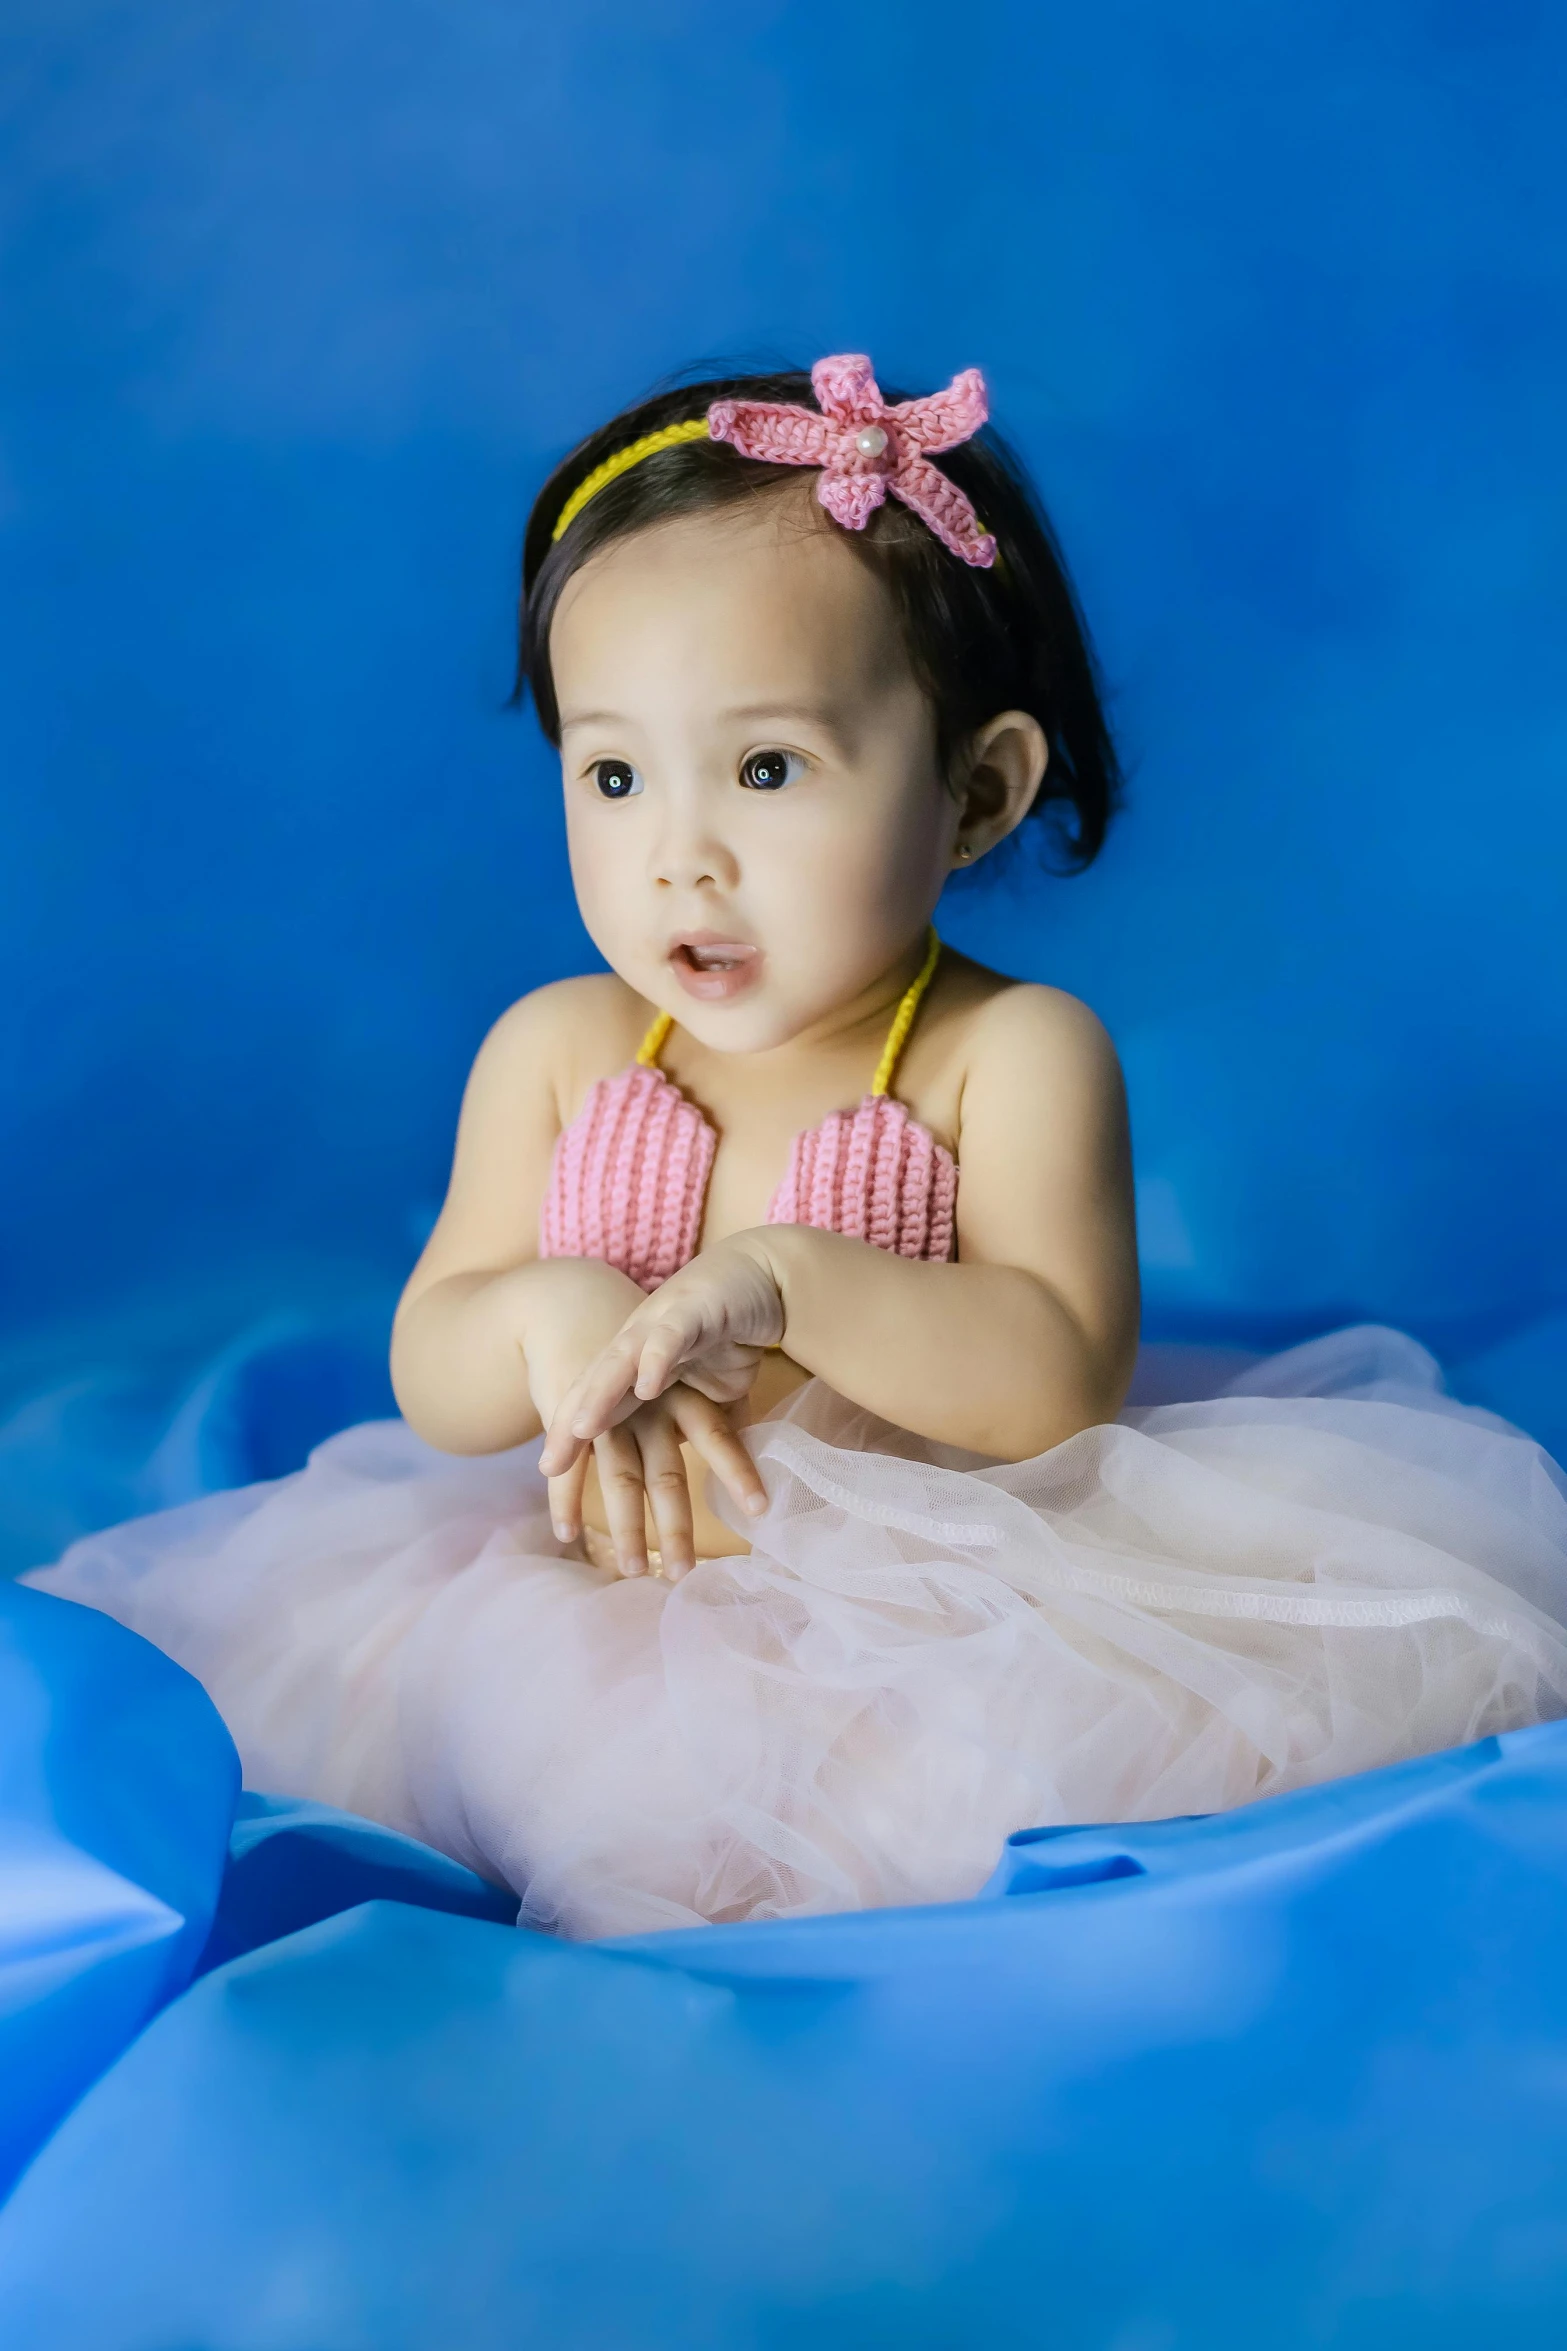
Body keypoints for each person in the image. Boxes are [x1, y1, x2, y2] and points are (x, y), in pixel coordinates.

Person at [29, 356, 1567, 1937]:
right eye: (613, 775)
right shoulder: (560, 1048)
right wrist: (548, 1312)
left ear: (975, 792)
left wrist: (782, 1281)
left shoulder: (1007, 1054)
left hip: (944, 1591)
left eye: (766, 770)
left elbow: (1053, 1374)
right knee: (508, 1744)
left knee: (970, 1775)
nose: (681, 857)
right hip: (590, 1591)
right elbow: (437, 1364)